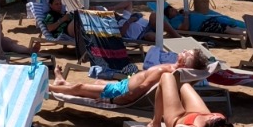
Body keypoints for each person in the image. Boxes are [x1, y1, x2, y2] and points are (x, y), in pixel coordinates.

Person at [49, 48, 209, 107]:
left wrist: (112, 100)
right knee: (98, 81)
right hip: (123, 85)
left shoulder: (164, 72)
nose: (184, 51)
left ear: (185, 64)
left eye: (187, 54)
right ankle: (62, 82)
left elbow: (141, 89)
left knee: (80, 88)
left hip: (120, 92)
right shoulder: (171, 70)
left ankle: (50, 87)